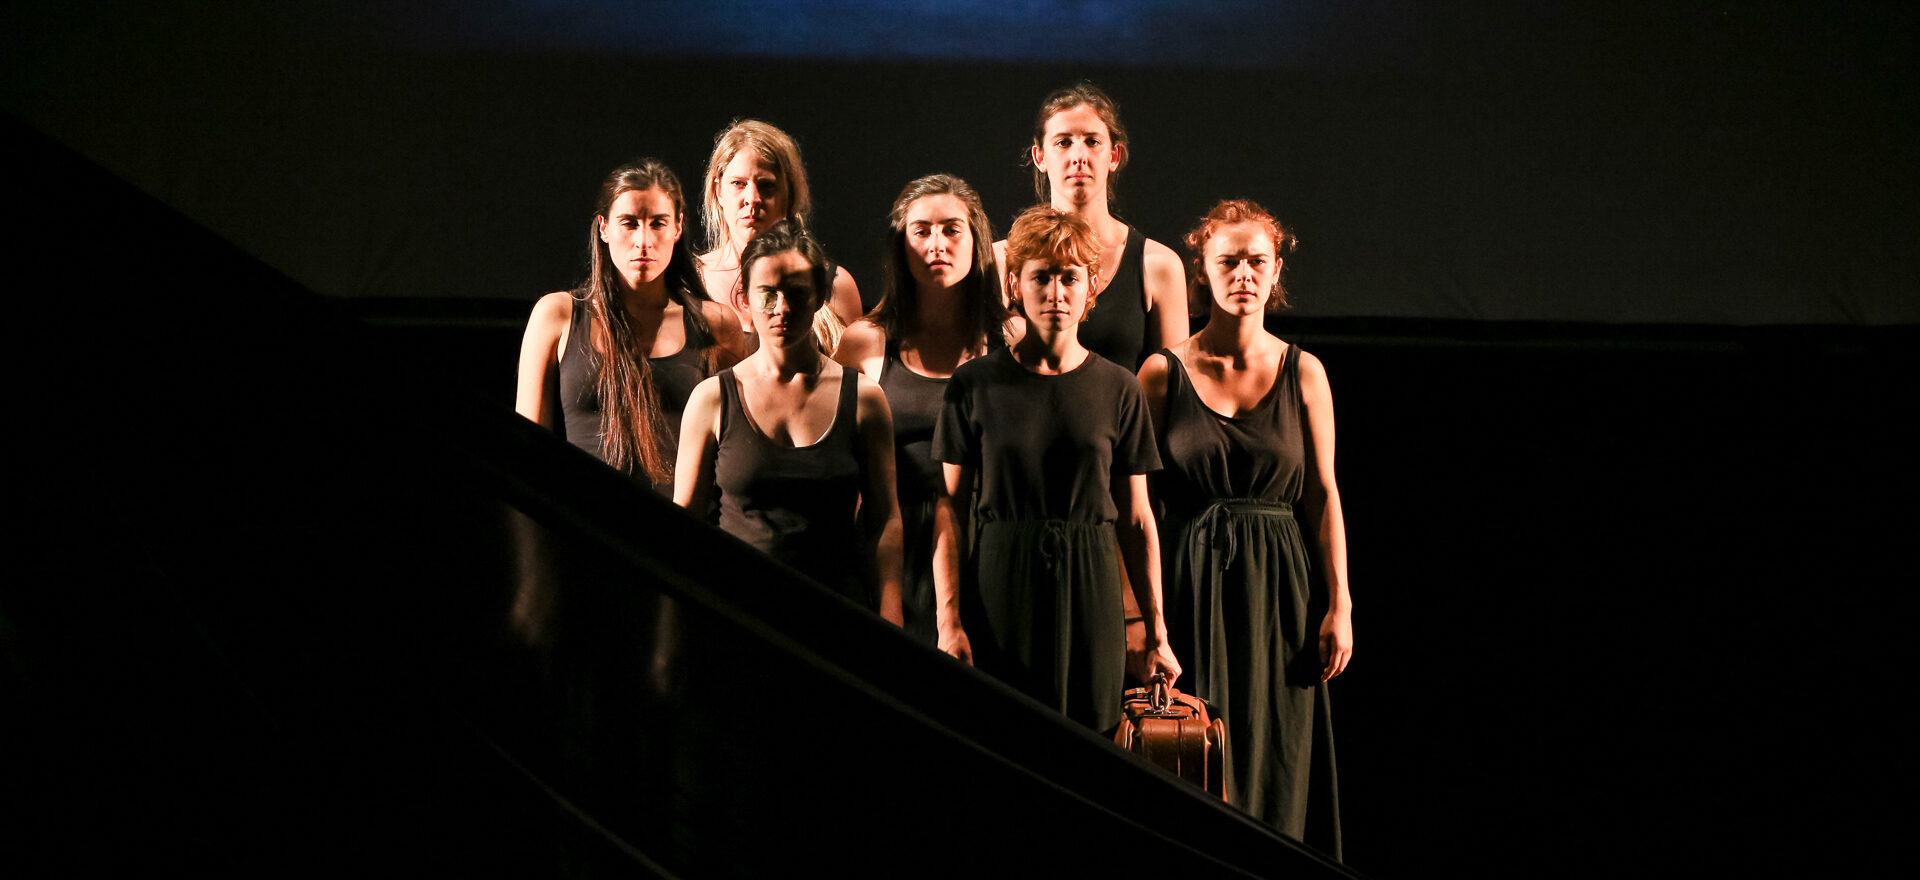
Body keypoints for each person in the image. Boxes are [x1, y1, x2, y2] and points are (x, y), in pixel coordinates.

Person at [1137, 200, 1349, 854]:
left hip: (1281, 594)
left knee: (1278, 754)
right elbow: (1136, 506)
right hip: (1192, 583)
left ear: (1276, 268)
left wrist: (1340, 603)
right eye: (1227, 261)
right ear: (1203, 270)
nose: (1243, 274)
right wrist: (1148, 622)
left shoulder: (1303, 372)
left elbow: (1322, 494)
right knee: (1200, 758)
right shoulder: (1161, 373)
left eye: (1257, 261)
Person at [933, 206, 1179, 732]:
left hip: (1091, 584)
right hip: (1000, 581)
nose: (1056, 292)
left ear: (1090, 290)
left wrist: (1157, 632)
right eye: (1040, 276)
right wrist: (948, 620)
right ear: (1015, 285)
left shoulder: (1120, 388)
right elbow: (949, 511)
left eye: (1070, 278)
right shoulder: (973, 384)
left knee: (1092, 740)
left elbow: (1138, 519)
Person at [675, 222, 904, 625]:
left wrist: (890, 612)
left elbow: (884, 519)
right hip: (737, 617)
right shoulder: (712, 399)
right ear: (744, 299)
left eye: (796, 294)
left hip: (835, 616)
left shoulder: (864, 399)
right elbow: (685, 524)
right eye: (767, 294)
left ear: (819, 298)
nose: (781, 308)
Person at [833, 174, 1009, 645]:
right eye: (921, 231)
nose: (937, 244)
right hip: (894, 548)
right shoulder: (866, 341)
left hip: (989, 544)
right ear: (900, 245)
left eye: (952, 229)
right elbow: (838, 465)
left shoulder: (1010, 340)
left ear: (977, 240)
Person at [514, 159, 746, 494]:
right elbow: (527, 450)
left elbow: (735, 449)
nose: (643, 240)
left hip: (680, 521)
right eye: (629, 223)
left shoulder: (716, 324)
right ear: (604, 228)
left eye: (658, 223)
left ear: (677, 227)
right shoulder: (557, 315)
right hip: (580, 518)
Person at [995, 83, 1187, 369]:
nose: (1079, 157)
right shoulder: (1000, 261)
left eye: (1092, 141)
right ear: (1040, 157)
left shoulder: (1158, 266)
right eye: (1063, 142)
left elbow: (1172, 384)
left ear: (1114, 156)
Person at [698, 120, 864, 354]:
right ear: (718, 191)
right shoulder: (691, 283)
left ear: (789, 195)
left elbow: (852, 375)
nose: (752, 199)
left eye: (766, 185)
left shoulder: (834, 286)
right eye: (738, 183)